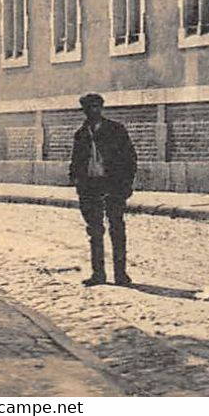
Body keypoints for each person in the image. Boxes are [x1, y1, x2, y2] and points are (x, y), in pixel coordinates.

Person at [68, 93, 138, 287]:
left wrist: (126, 185)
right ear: (84, 111)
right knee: (95, 231)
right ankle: (98, 274)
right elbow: (76, 162)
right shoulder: (81, 135)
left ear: (102, 108)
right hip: (90, 187)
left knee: (117, 228)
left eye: (97, 107)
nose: (94, 111)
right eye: (90, 108)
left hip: (113, 185)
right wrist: (76, 181)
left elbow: (130, 159)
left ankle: (121, 275)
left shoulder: (116, 130)